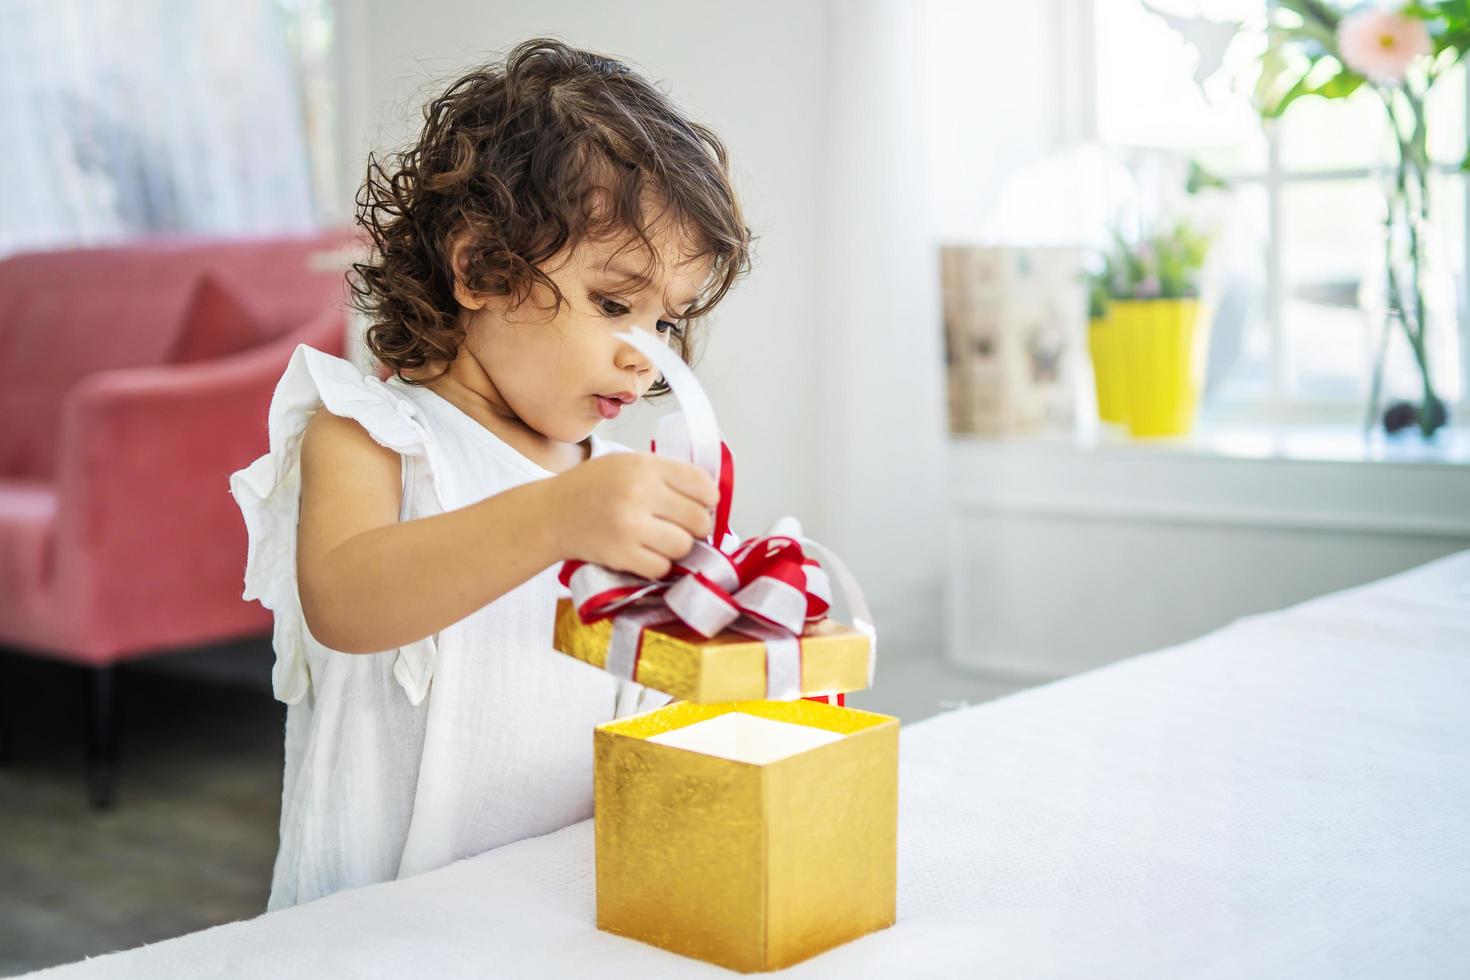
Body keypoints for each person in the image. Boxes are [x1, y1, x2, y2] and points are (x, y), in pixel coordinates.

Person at [229, 37, 750, 910]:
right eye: (616, 305)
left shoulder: (604, 486)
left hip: (556, 914)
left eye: (667, 322)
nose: (645, 358)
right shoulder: (370, 435)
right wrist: (556, 518)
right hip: (375, 931)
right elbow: (347, 603)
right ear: (480, 268)